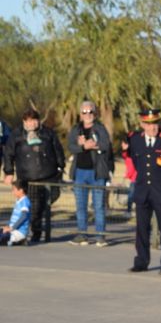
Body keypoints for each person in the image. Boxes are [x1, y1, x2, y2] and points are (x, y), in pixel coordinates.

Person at [126, 108, 161, 274]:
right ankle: (141, 261)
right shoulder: (135, 140)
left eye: (155, 123)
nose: (153, 127)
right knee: (142, 229)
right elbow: (135, 161)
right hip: (142, 191)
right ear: (142, 124)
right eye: (149, 124)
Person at [3, 108, 65, 242]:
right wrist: (8, 172)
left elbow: (58, 150)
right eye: (29, 121)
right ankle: (36, 232)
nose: (32, 124)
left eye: (35, 120)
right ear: (24, 121)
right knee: (34, 205)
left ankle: (38, 221)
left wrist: (61, 167)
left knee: (50, 198)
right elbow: (8, 154)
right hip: (28, 178)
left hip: (49, 175)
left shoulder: (48, 133)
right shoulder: (17, 135)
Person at [66, 100, 114, 247]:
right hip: (80, 171)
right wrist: (82, 146)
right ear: (80, 114)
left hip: (96, 172)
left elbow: (106, 145)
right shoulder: (76, 129)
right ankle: (82, 234)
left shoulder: (100, 128)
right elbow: (71, 146)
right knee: (80, 205)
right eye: (84, 112)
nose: (88, 115)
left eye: (90, 111)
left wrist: (94, 144)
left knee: (98, 205)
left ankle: (100, 236)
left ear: (95, 113)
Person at [1, 179, 31, 246]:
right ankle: (16, 241)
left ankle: (19, 241)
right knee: (1, 232)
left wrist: (12, 228)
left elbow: (24, 216)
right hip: (13, 230)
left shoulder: (25, 202)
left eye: (14, 189)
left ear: (21, 190)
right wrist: (8, 226)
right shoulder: (18, 200)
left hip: (19, 232)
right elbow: (14, 218)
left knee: (2, 238)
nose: (12, 191)